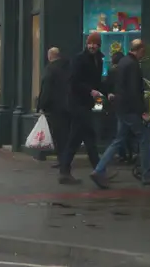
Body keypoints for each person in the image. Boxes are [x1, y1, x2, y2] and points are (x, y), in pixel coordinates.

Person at [90, 39, 150, 189]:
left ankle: (99, 170)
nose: (143, 54)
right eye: (143, 51)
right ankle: (147, 175)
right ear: (140, 49)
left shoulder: (123, 62)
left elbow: (114, 85)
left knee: (118, 140)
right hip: (130, 109)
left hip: (121, 108)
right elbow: (134, 91)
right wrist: (142, 111)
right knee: (145, 139)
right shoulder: (133, 65)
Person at [57, 33, 105, 184]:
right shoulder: (79, 59)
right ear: (86, 43)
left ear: (99, 45)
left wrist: (105, 92)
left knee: (77, 138)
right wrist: (90, 91)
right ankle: (99, 171)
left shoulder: (99, 60)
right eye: (90, 43)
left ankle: (65, 171)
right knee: (88, 136)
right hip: (77, 103)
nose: (92, 46)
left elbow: (98, 82)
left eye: (95, 44)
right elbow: (74, 81)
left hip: (87, 103)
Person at [35, 47, 70, 164]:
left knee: (57, 135)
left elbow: (46, 89)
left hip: (54, 107)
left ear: (49, 56)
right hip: (68, 105)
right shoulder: (68, 67)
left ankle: (62, 160)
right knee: (66, 133)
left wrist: (41, 105)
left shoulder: (50, 69)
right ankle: (65, 159)